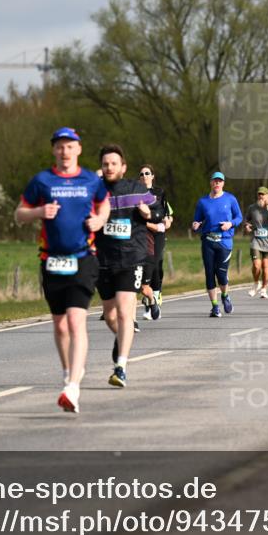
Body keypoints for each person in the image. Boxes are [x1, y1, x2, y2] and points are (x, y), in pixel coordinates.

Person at [16, 127, 108, 412]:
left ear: (78, 149)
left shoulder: (91, 179)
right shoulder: (42, 181)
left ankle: (73, 388)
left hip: (83, 258)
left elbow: (104, 204)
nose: (65, 151)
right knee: (59, 324)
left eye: (69, 146)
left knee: (76, 321)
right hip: (52, 260)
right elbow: (19, 214)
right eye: (60, 147)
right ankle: (69, 373)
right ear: (54, 150)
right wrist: (38, 212)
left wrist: (99, 221)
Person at [96, 144, 163, 388]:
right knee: (110, 315)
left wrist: (147, 214)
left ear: (123, 167)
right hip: (103, 260)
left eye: (114, 163)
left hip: (131, 258)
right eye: (105, 164)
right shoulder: (94, 191)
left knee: (125, 312)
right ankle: (121, 338)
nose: (109, 167)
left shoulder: (137, 190)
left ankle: (121, 367)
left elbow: (159, 214)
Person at [192, 171, 242, 317]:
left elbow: (239, 217)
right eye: (215, 181)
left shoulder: (230, 199)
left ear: (223, 183)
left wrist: (230, 224)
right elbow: (197, 220)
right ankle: (214, 307)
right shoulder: (203, 202)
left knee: (221, 275)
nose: (217, 183)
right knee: (209, 274)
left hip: (224, 241)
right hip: (208, 241)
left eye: (220, 181)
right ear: (211, 183)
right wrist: (195, 225)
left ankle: (225, 295)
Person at [137, 164, 172, 321]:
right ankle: (149, 302)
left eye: (147, 173)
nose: (144, 176)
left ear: (152, 176)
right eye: (142, 174)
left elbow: (167, 213)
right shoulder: (136, 193)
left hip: (158, 234)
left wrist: (167, 221)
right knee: (144, 267)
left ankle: (154, 301)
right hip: (142, 234)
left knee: (156, 265)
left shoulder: (160, 192)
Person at [244, 186, 268, 298]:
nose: (261, 196)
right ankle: (256, 283)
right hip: (256, 240)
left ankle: (264, 288)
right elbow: (246, 220)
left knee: (266, 266)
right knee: (256, 265)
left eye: (263, 194)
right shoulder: (252, 208)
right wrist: (247, 226)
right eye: (259, 194)